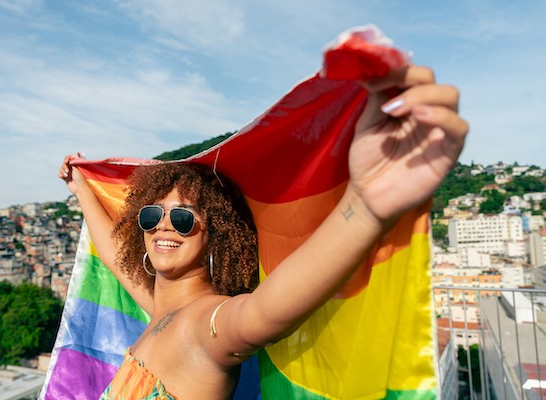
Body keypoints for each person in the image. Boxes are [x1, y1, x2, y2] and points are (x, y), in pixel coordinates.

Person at [59, 64, 468, 399]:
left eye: (183, 218)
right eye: (152, 216)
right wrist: (81, 189)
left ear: (216, 236)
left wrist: (364, 208)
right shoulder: (161, 312)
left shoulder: (205, 325)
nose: (163, 226)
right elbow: (116, 255)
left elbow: (264, 312)